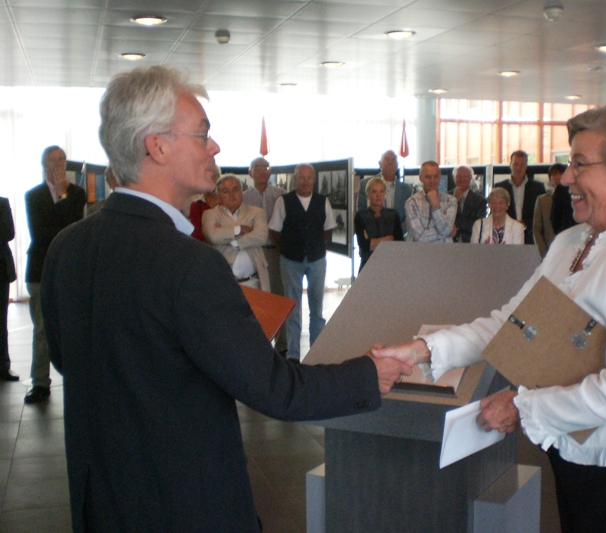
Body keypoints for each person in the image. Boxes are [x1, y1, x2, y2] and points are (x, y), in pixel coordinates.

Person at [39, 65, 410, 532]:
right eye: (202, 134)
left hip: (103, 504)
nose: (214, 146)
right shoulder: (188, 264)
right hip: (186, 506)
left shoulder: (66, 247)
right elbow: (275, 389)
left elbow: (68, 360)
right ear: (157, 146)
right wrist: (369, 374)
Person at [374, 103, 606, 533]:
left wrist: (522, 407)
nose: (566, 178)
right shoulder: (571, 241)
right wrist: (423, 350)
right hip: (578, 456)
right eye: (569, 164)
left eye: (580, 164)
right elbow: (510, 323)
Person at [24, 145, 86, 403]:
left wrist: (63, 196)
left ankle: (77, 380)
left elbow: (73, 229)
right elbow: (43, 233)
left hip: (70, 270)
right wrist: (61, 197)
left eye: (61, 159)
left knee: (73, 327)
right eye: (52, 160)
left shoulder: (78, 194)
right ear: (43, 165)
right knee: (42, 329)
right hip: (40, 270)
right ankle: (40, 382)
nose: (58, 164)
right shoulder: (33, 195)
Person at [269, 163, 337, 360]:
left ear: (314, 180)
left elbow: (328, 229)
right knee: (293, 309)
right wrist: (287, 249)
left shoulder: (323, 201)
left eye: (309, 177)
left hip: (317, 260)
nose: (305, 181)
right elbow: (274, 231)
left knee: (317, 308)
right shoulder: (283, 201)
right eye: (301, 177)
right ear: (295, 179)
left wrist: (315, 246)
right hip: (290, 260)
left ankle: (316, 353)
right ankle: (293, 355)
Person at [242, 156, 288, 353]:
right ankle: (259, 344)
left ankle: (282, 345)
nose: (262, 171)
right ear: (250, 172)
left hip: (275, 252)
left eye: (266, 167)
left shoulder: (281, 195)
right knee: (256, 299)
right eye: (258, 167)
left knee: (278, 297)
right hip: (252, 253)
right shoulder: (243, 198)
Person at [203, 175, 270, 291]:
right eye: (226, 191)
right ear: (219, 196)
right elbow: (213, 236)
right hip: (224, 283)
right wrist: (241, 229)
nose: (231, 195)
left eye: (235, 190)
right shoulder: (210, 214)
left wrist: (231, 241)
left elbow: (261, 236)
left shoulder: (256, 212)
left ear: (242, 193)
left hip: (254, 282)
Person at [495, 150, 546, 244]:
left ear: (526, 166)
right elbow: (495, 212)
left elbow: (542, 215)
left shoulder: (538, 188)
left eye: (522, 164)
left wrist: (525, 225)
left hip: (531, 238)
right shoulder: (500, 187)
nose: (518, 168)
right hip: (505, 238)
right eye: (515, 164)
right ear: (510, 165)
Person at [354, 177, 403, 272]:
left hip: (390, 265)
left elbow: (399, 243)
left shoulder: (393, 214)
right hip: (367, 265)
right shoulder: (361, 216)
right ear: (368, 194)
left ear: (385, 194)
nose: (378, 195)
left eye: (381, 191)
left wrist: (373, 241)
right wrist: (389, 238)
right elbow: (365, 245)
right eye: (374, 191)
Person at [357, 150, 413, 233]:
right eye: (387, 159)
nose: (390, 162)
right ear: (380, 164)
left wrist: (395, 234)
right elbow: (361, 213)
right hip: (372, 236)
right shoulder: (365, 184)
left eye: (393, 160)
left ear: (397, 165)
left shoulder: (407, 190)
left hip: (397, 237)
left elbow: (408, 218)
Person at [404, 161, 458, 242]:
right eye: (428, 177)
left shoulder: (451, 200)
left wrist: (435, 207)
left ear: (440, 177)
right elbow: (420, 237)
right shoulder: (411, 202)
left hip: (444, 249)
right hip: (418, 250)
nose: (432, 180)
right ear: (420, 178)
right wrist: (447, 232)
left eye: (436, 176)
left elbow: (446, 230)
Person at [0, 197, 17, 381]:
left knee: (1, 319)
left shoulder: (2, 203)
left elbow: (8, 233)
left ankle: (2, 366)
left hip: (0, 269)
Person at [533, 163, 566, 257]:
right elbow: (537, 229)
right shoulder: (542, 200)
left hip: (568, 248)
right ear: (550, 178)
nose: (557, 177)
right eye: (554, 174)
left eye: (561, 173)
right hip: (548, 249)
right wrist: (543, 252)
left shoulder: (572, 199)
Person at [449, 165, 487, 243]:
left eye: (466, 176)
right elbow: (442, 220)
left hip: (471, 241)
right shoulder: (445, 197)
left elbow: (477, 224)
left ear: (470, 178)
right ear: (453, 178)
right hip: (449, 241)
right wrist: (454, 200)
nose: (462, 179)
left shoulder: (480, 200)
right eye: (458, 176)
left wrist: (455, 224)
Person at [188, 165, 220, 241]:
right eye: (205, 178)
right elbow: (197, 234)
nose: (211, 180)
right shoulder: (197, 204)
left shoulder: (227, 201)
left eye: (213, 177)